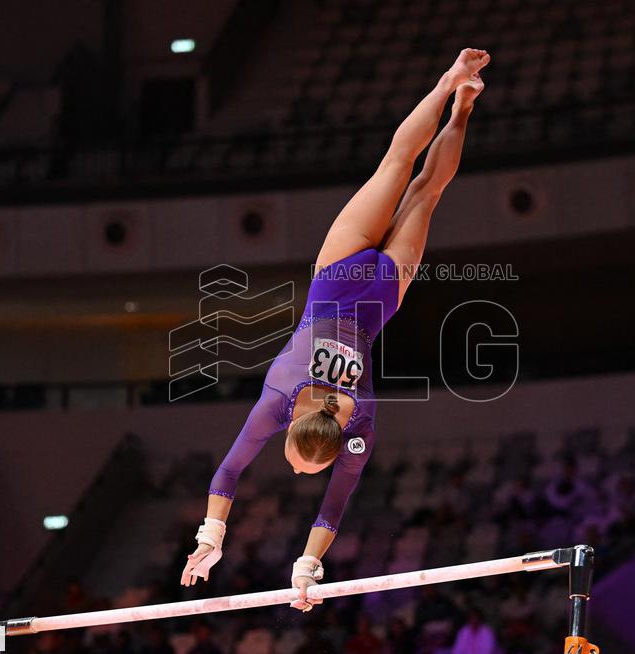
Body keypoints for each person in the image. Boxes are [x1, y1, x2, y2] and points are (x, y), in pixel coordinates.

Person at [181, 49, 491, 612]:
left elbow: (333, 505)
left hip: (378, 301)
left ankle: (461, 102)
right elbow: (229, 472)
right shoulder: (277, 404)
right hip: (338, 283)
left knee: (419, 185)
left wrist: (305, 566)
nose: (294, 467)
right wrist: (212, 540)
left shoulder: (359, 429)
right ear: (298, 423)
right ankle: (449, 82)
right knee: (398, 168)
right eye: (299, 463)